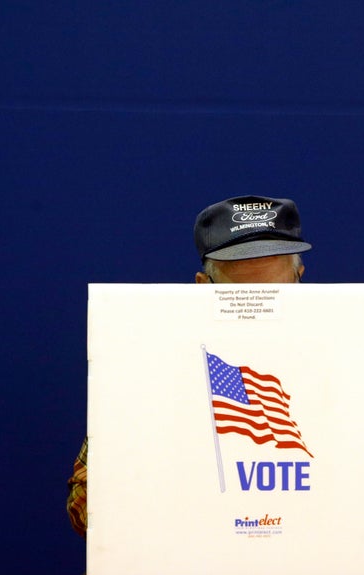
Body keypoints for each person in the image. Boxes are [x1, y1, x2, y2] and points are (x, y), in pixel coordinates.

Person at [67, 195, 312, 536]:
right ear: (202, 287)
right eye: (239, 295)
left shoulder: (350, 362)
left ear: (300, 279)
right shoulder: (151, 367)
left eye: (275, 292)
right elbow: (83, 507)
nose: (259, 308)